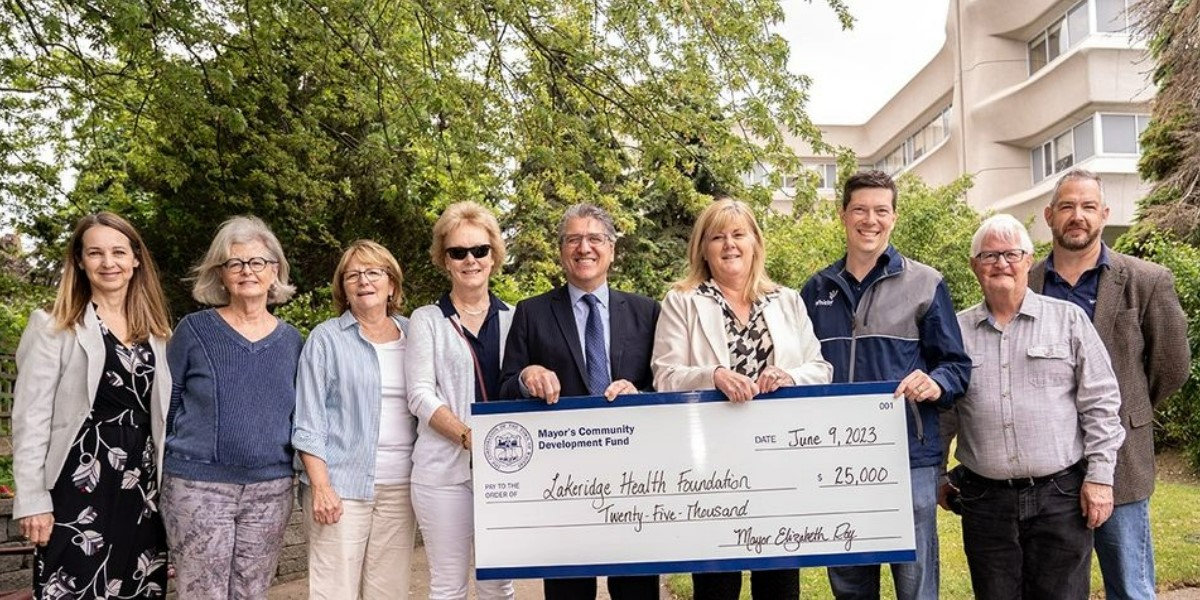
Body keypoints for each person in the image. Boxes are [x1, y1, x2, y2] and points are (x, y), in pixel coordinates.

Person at [800, 170, 970, 600]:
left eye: (880, 210)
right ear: (843, 215)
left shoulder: (925, 284)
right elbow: (799, 367)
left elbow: (957, 366)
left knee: (916, 589)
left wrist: (935, 382)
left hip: (909, 459)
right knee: (851, 586)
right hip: (835, 462)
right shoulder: (813, 290)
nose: (869, 219)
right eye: (859, 209)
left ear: (893, 218)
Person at [652, 197, 833, 599]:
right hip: (711, 467)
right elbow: (664, 377)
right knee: (717, 586)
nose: (729, 244)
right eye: (717, 237)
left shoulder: (786, 300)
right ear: (703, 247)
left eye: (738, 234)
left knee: (779, 585)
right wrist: (712, 376)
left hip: (779, 466)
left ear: (755, 241)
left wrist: (790, 375)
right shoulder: (682, 301)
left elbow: (820, 368)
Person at [943, 214, 1124, 599]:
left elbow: (1102, 403)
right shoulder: (954, 332)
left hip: (1061, 496)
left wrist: (1100, 478)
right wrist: (937, 473)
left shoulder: (1069, 321)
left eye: (1011, 254)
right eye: (989, 256)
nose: (1001, 264)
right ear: (975, 265)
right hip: (985, 502)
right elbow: (943, 411)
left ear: (1029, 260)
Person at [1030, 168, 1190, 600]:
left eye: (1086, 206)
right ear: (1049, 216)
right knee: (1053, 587)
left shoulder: (1146, 280)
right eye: (1066, 206)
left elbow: (1172, 366)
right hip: (1047, 468)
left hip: (1122, 462)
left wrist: (1129, 408)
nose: (1076, 215)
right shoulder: (1028, 283)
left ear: (1104, 213)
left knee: (1130, 587)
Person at [498, 203, 661, 600]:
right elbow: (503, 388)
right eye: (573, 239)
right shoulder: (531, 313)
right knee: (569, 591)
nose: (583, 247)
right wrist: (525, 377)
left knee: (636, 590)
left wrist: (641, 394)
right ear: (561, 250)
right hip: (562, 485)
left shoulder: (647, 311)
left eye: (594, 238)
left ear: (611, 249)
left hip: (633, 480)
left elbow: (666, 386)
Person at [12, 212, 172, 598]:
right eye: (95, 253)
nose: (108, 262)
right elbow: (30, 419)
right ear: (80, 262)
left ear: (136, 260)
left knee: (139, 589)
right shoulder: (53, 326)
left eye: (119, 252)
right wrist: (32, 500)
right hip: (77, 487)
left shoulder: (159, 334)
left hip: (143, 491)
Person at [160, 215, 304, 598]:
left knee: (251, 592)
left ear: (274, 271)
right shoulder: (194, 330)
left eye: (257, 262)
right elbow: (166, 407)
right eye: (234, 263)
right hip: (198, 485)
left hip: (270, 489)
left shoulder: (293, 342)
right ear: (220, 274)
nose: (246, 271)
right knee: (202, 592)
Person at [293, 240, 417, 599]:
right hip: (341, 489)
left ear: (392, 284)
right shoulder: (326, 339)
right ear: (343, 288)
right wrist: (321, 487)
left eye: (374, 272)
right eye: (353, 275)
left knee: (389, 592)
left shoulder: (416, 334)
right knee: (335, 591)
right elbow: (308, 419)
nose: (364, 280)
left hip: (401, 486)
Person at [407, 202, 515, 600]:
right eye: (458, 252)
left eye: (480, 250)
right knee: (448, 586)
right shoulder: (427, 320)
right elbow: (420, 394)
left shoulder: (515, 318)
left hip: (505, 472)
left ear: (494, 256)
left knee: (498, 583)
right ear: (445, 260)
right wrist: (469, 438)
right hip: (442, 473)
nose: (470, 259)